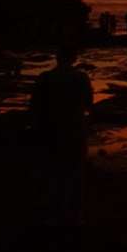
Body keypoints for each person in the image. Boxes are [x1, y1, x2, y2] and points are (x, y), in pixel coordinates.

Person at [29, 44, 93, 227]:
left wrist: (36, 127)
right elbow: (88, 104)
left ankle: (52, 214)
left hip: (50, 128)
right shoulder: (81, 77)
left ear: (57, 58)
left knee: (52, 172)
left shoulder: (45, 77)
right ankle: (74, 216)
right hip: (74, 128)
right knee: (74, 173)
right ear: (73, 58)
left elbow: (34, 106)